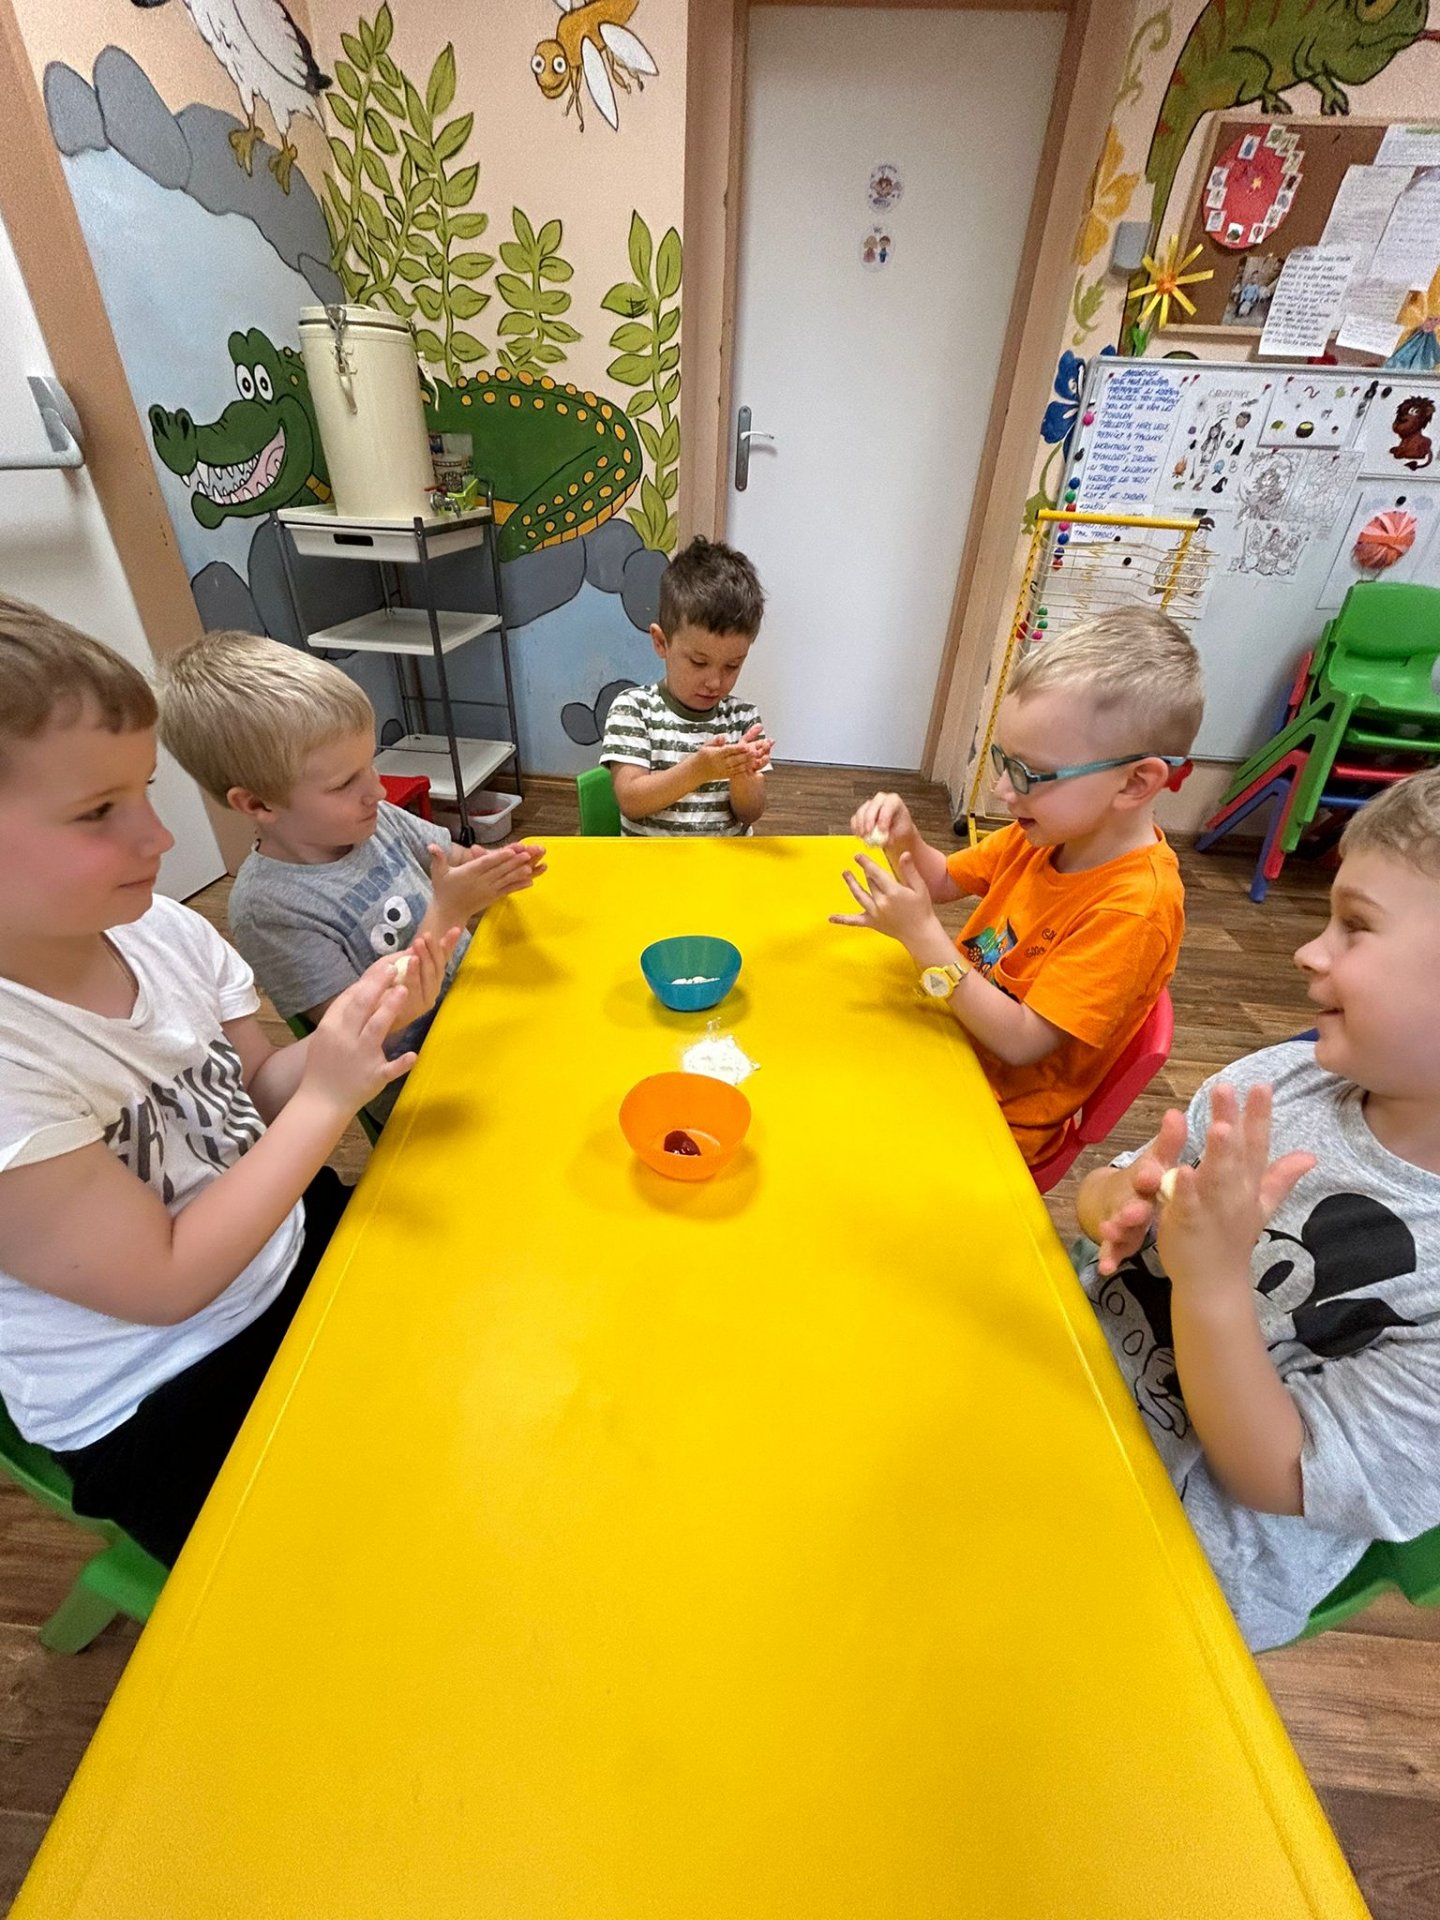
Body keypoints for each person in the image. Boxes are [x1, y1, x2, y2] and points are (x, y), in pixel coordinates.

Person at [0, 596, 451, 1564]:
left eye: (143, 790)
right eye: (97, 813)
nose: (160, 838)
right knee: (374, 1554)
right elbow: (165, 1282)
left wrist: (350, 1028)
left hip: (284, 1244)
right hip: (164, 1389)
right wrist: (329, 1097)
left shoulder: (162, 932)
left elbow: (255, 1090)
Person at [1075, 767, 1440, 1649]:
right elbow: (1103, 1198)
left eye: (1355, 926)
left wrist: (1210, 1285)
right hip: (1070, 1386)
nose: (1309, 951)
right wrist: (1120, 1201)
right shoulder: (1280, 1082)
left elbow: (1274, 1475)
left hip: (1174, 1571)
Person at [836, 608, 1202, 1165]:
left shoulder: (1134, 909)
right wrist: (904, 836)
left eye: (1030, 773)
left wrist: (924, 939)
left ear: (1135, 782)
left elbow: (1021, 1041)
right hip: (949, 1043)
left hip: (997, 1123)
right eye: (1004, 761)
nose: (1003, 790)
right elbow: (942, 880)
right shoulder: (1042, 832)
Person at [158, 629, 544, 1120]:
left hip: (479, 1005)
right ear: (257, 804)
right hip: (419, 1082)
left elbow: (455, 862)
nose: (377, 791)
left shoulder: (377, 819)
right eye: (344, 782)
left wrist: (496, 867)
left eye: (370, 766)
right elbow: (360, 1034)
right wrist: (449, 910)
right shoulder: (269, 908)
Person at [600, 535, 774, 836]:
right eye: (698, 662)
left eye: (732, 665)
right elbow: (631, 801)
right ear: (661, 642)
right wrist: (698, 769)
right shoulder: (633, 710)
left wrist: (743, 777)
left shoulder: (743, 719)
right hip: (653, 863)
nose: (715, 682)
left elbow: (750, 813)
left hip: (723, 861)